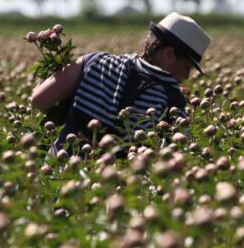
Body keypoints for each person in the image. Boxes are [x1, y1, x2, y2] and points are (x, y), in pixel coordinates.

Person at [31, 12, 211, 148]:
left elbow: (39, 100)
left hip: (62, 173)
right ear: (169, 53)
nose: (187, 76)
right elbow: (178, 152)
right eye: (187, 67)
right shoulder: (172, 100)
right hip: (122, 190)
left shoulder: (95, 60)